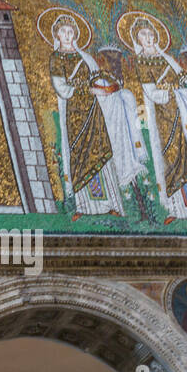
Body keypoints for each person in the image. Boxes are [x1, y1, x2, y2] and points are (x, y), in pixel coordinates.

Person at [47, 13, 145, 218]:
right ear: (56, 34)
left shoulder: (86, 58)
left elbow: (98, 79)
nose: (67, 34)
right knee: (80, 157)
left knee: (101, 152)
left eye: (70, 31)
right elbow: (61, 88)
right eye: (63, 31)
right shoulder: (56, 58)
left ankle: (111, 204)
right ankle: (84, 207)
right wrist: (85, 89)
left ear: (75, 34)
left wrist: (108, 89)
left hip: (94, 112)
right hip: (75, 116)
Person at [124, 16, 187, 222]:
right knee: (171, 159)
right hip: (163, 119)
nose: (148, 38)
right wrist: (171, 91)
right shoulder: (141, 61)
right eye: (143, 35)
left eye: (151, 34)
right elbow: (151, 92)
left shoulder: (167, 58)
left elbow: (182, 77)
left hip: (183, 113)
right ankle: (176, 210)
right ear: (137, 39)